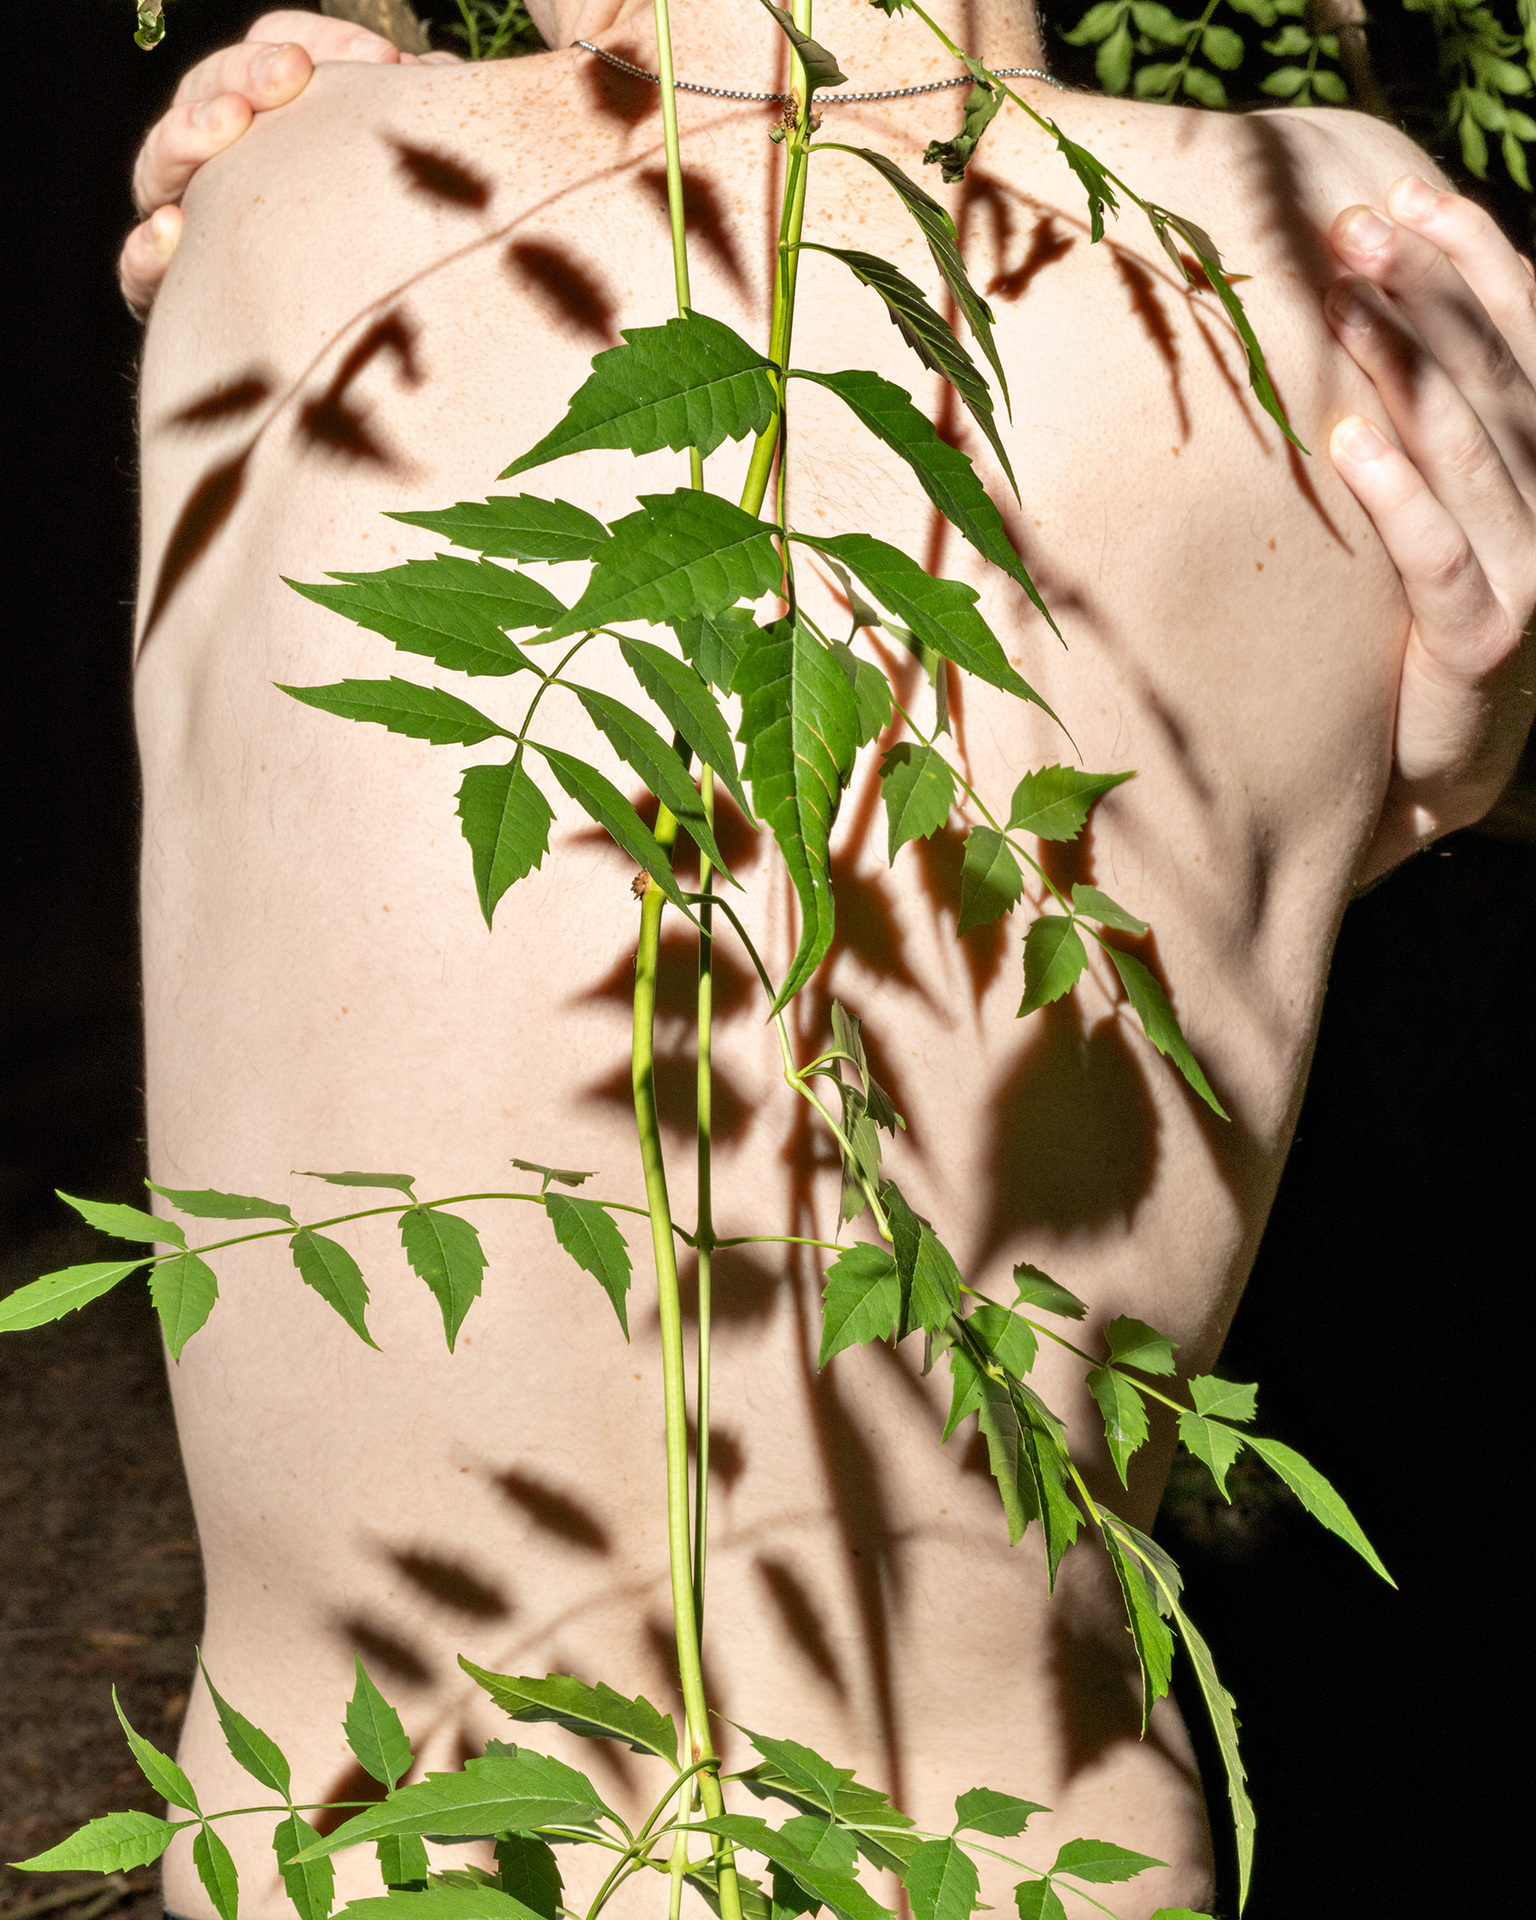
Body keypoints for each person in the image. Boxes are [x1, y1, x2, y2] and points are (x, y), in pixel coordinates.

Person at [119, 7, 1533, 1917]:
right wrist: (1441, 785)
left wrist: (318, 128)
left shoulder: (290, 202)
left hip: (369, 1869)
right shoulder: (1332, 267)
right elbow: (1235, 840)